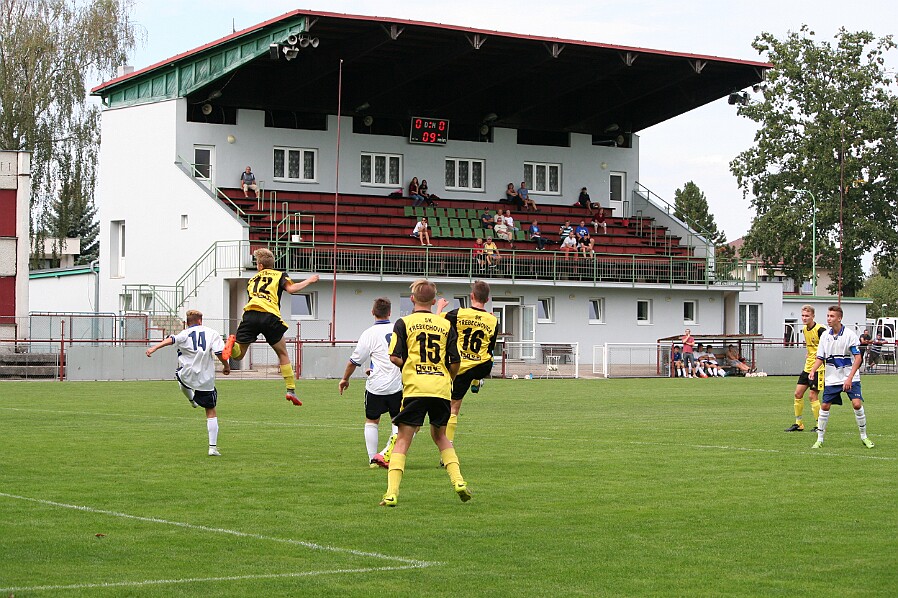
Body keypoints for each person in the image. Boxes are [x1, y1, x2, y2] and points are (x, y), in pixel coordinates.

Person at [380, 279, 470, 507]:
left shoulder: (403, 322)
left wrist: (408, 366)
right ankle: (458, 481)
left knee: (403, 440)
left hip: (415, 387)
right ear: (433, 301)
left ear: (412, 299)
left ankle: (391, 493)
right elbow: (455, 360)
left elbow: (393, 356)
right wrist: (448, 378)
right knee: (441, 437)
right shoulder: (445, 325)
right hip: (440, 387)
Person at [222, 248, 319, 405]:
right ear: (271, 264)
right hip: (270, 316)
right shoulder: (279, 275)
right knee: (282, 353)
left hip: (250, 314)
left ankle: (231, 344)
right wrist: (309, 280)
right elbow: (292, 290)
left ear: (259, 266)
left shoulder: (252, 280)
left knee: (238, 355)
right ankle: (290, 390)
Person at [146, 309, 230, 456]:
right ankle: (212, 448)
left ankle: (191, 399)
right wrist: (226, 366)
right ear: (200, 321)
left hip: (187, 374)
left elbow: (171, 340)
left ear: (187, 322)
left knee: (180, 377)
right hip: (205, 378)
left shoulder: (184, 333)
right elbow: (219, 353)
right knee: (210, 410)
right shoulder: (212, 333)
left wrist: (154, 348)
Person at [339, 297, 402, 469]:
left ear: (372, 312)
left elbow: (354, 361)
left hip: (376, 387)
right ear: (390, 312)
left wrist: (345, 379)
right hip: (398, 385)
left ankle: (372, 459)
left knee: (372, 421)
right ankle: (390, 456)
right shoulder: (399, 330)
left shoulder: (368, 334)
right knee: (397, 422)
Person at [436, 280, 499, 451]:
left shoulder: (457, 313)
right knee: (488, 357)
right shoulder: (493, 320)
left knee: (453, 407)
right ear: (487, 299)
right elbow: (491, 346)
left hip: (460, 366)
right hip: (482, 366)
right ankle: (477, 380)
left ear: (471, 296)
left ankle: (447, 448)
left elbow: (437, 323)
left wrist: (440, 307)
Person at [808, 305, 875, 449]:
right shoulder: (825, 336)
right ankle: (819, 439)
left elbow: (858, 358)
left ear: (839, 318)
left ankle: (864, 437)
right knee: (825, 406)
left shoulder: (849, 335)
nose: (829, 319)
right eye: (828, 316)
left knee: (857, 404)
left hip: (850, 376)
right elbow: (820, 357)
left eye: (832, 316)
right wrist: (813, 370)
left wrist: (850, 378)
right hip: (832, 378)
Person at [785, 305, 825, 432]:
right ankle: (799, 423)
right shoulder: (804, 329)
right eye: (802, 315)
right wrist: (808, 353)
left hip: (819, 368)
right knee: (798, 394)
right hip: (808, 367)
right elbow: (811, 346)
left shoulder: (821, 330)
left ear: (813, 316)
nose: (804, 318)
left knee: (812, 396)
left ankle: (820, 425)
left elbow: (828, 346)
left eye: (807, 316)